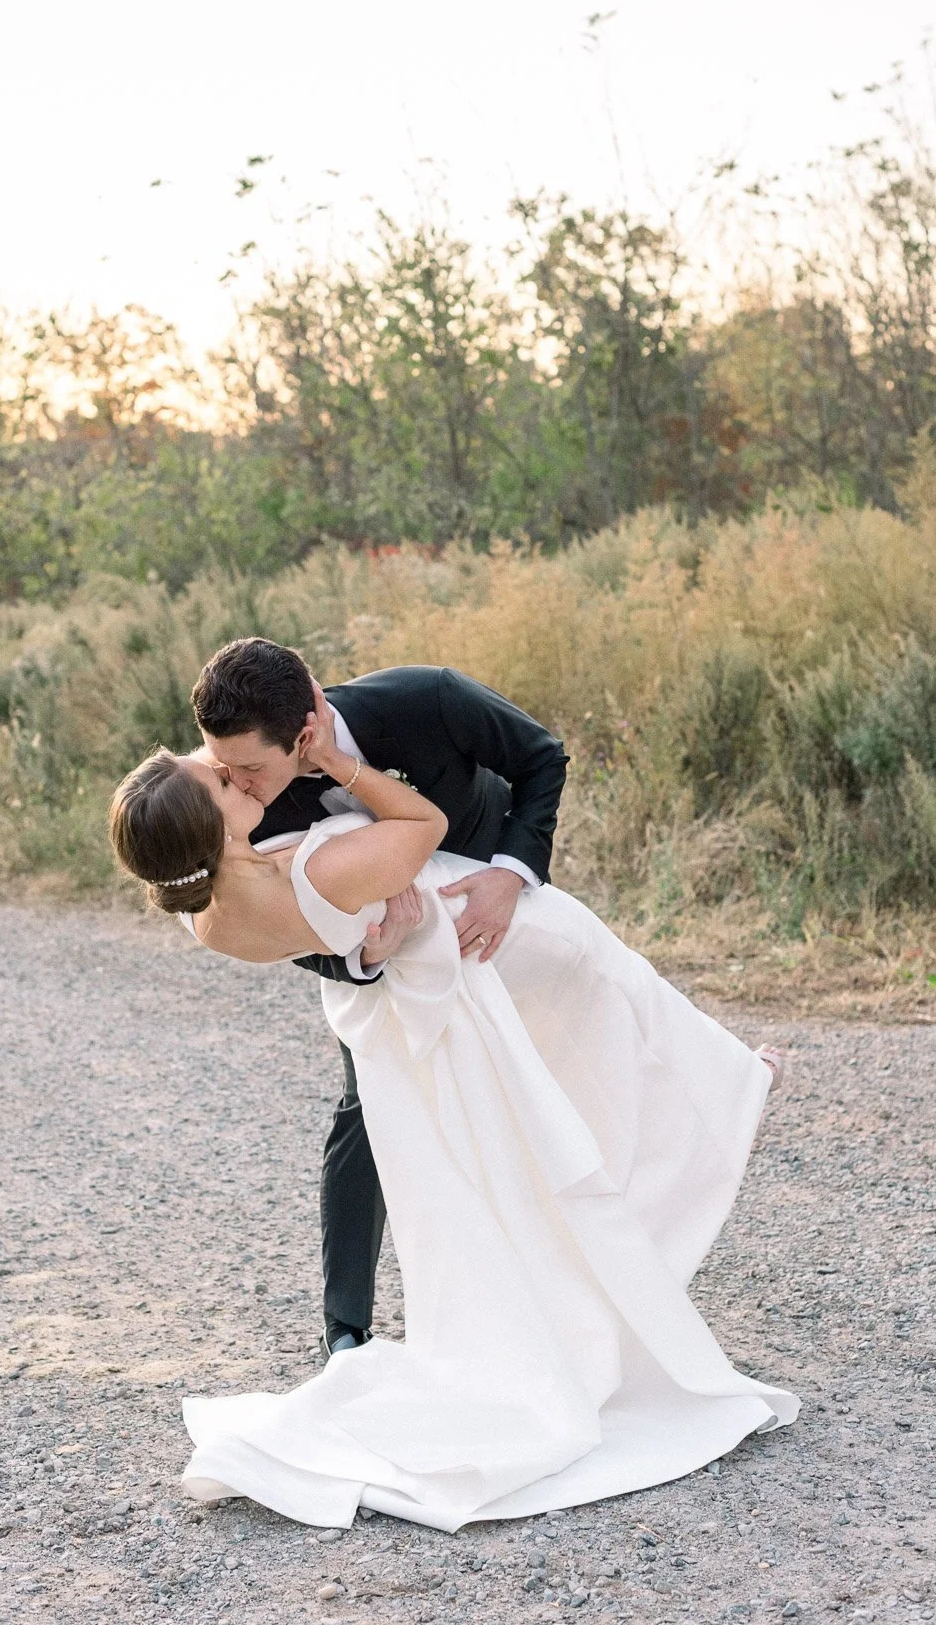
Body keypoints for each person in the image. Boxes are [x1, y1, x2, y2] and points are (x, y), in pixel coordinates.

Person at [109, 674, 797, 1533]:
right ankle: (722, 1093)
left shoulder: (205, 906)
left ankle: (715, 1088)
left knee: (512, 1120)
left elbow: (526, 767)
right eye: (219, 779)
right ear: (214, 823)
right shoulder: (310, 857)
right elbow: (421, 828)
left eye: (231, 766)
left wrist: (375, 940)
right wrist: (351, 812)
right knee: (600, 986)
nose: (229, 775)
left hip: (403, 997)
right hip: (464, 958)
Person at [188, 638, 571, 1361]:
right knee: (368, 1098)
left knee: (549, 1062)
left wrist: (510, 876)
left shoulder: (424, 700)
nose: (230, 781)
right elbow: (283, 929)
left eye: (246, 767)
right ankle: (345, 1330)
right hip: (380, 954)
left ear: (306, 733)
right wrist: (365, 958)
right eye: (219, 763)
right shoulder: (238, 802)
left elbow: (541, 758)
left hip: (490, 909)